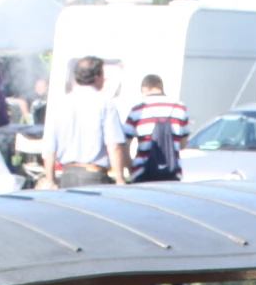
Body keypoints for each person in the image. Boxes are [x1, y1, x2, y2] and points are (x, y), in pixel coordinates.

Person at [41, 56, 128, 188]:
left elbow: (49, 148)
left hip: (68, 175)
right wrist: (120, 179)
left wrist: (50, 180)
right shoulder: (104, 103)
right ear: (97, 76)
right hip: (94, 176)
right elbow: (114, 145)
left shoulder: (60, 104)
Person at [124, 74, 188, 184]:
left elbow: (125, 144)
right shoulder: (180, 108)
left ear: (144, 89)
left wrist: (131, 167)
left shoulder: (138, 109)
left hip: (142, 171)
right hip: (172, 172)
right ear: (161, 87)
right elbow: (183, 144)